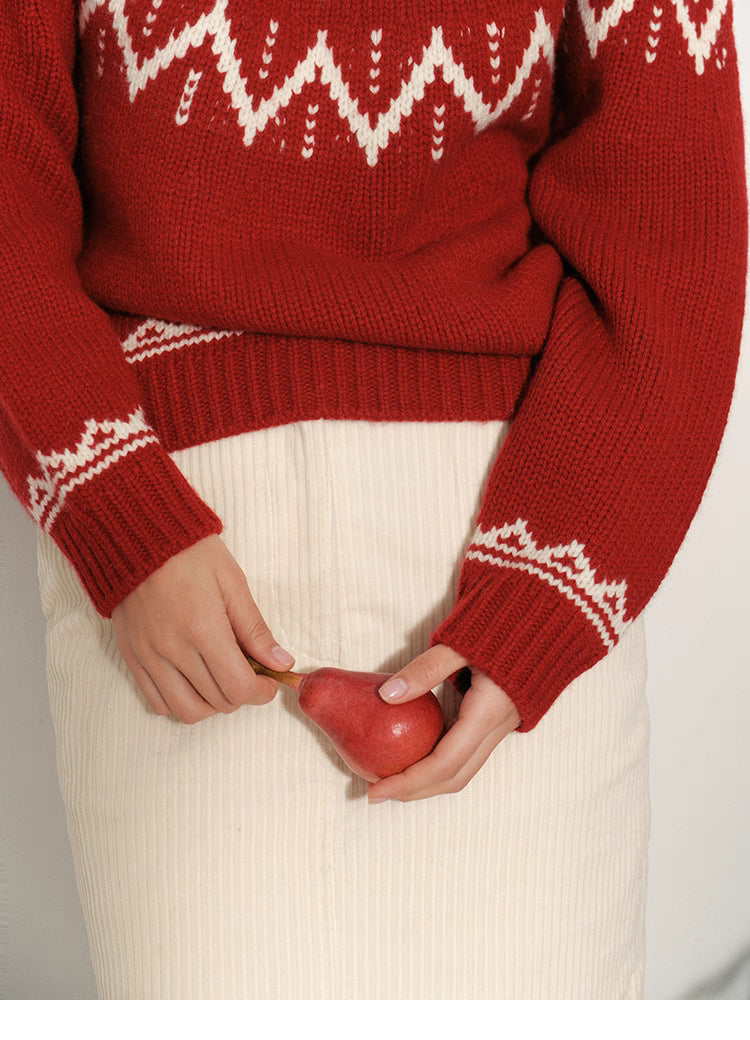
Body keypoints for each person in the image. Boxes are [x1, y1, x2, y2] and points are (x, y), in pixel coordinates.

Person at [0, 0, 746, 1000]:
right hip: (177, 555)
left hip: (514, 539)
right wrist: (114, 508)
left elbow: (669, 226)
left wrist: (548, 598)